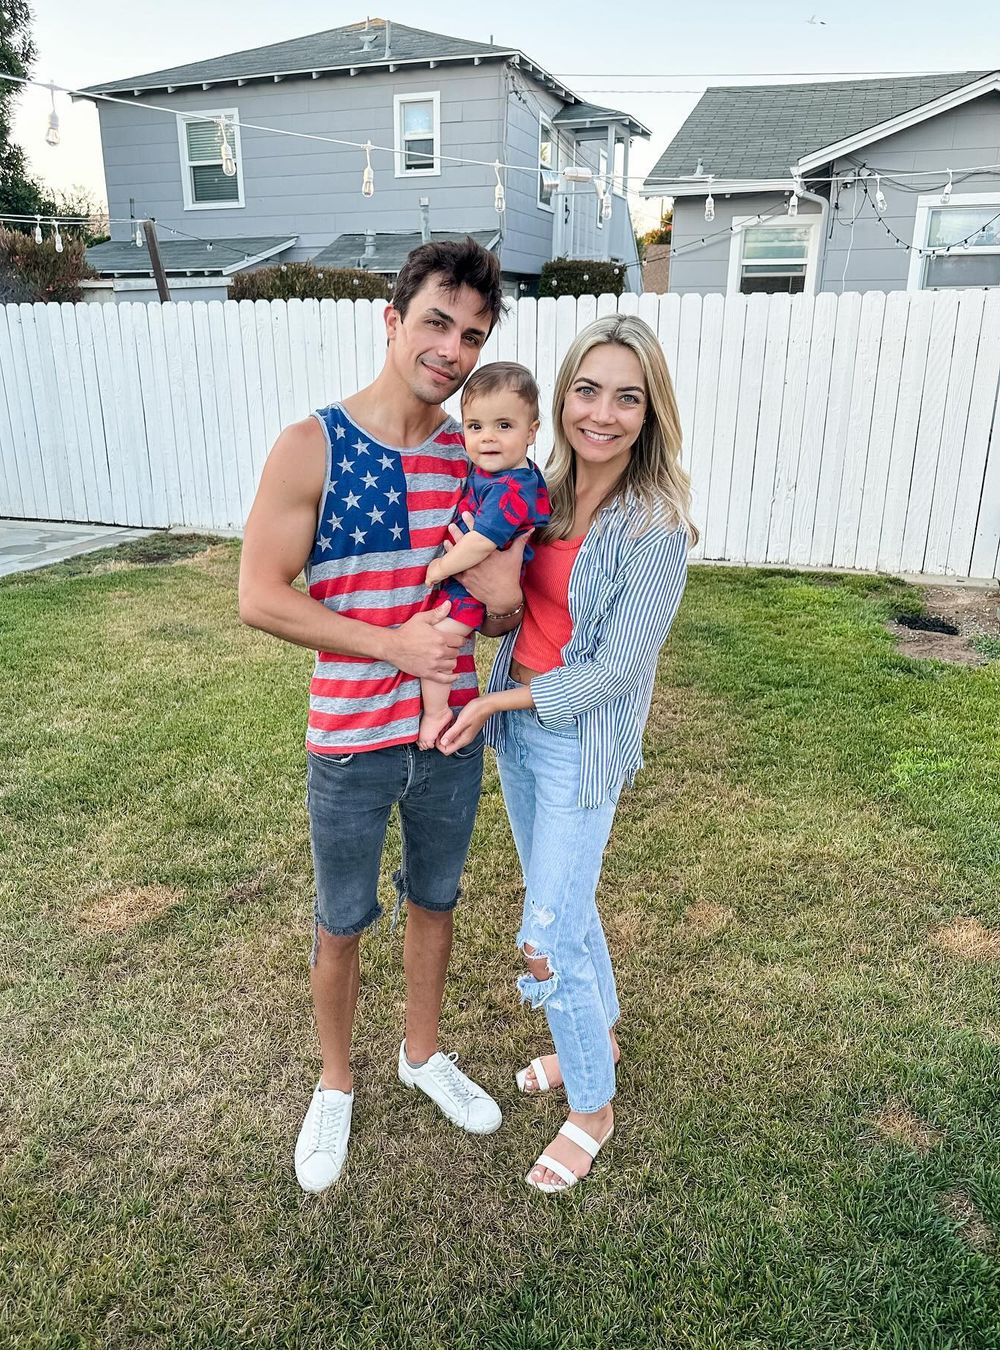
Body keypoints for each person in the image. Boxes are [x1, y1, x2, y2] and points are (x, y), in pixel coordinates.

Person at [238, 239, 528, 1194]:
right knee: (342, 920)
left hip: (449, 735)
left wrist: (500, 607)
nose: (452, 350)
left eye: (473, 336)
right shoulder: (312, 444)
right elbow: (260, 596)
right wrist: (394, 646)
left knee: (435, 902)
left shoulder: (473, 451)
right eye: (437, 323)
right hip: (349, 738)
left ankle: (422, 1053)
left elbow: (500, 599)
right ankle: (335, 1083)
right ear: (393, 320)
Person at [439, 314, 699, 1192]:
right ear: (561, 398)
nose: (602, 413)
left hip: (576, 747)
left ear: (650, 412)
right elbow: (516, 612)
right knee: (570, 907)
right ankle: (600, 1039)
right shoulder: (538, 493)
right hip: (519, 736)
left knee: (546, 939)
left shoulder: (655, 528)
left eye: (628, 397)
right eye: (588, 391)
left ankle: (592, 1107)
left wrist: (492, 701)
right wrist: (493, 611)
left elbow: (618, 670)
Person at [417, 362, 550, 750]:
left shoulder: (510, 488)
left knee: (438, 643)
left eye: (504, 426)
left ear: (531, 432)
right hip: (473, 575)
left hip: (474, 586)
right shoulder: (500, 470)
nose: (487, 437)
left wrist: (440, 567)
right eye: (475, 426)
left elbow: (480, 543)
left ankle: (435, 713)